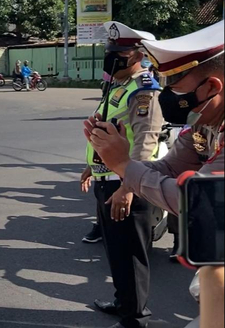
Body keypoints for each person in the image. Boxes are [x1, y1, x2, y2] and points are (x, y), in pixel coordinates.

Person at [87, 20, 224, 328]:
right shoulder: (206, 123)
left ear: (213, 87)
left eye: (176, 88)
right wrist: (112, 156)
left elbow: (195, 202)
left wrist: (124, 169)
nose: (169, 97)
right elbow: (169, 167)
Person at [81, 21, 164, 328]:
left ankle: (135, 319)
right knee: (116, 252)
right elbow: (106, 132)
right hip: (107, 181)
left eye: (119, 53)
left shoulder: (143, 91)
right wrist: (91, 166)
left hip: (124, 185)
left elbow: (145, 144)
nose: (112, 58)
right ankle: (123, 302)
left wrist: (129, 187)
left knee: (130, 255)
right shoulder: (118, 86)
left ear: (138, 55)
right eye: (110, 51)